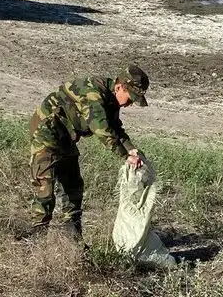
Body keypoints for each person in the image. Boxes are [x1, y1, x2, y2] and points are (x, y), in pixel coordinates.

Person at [27, 63, 150, 239]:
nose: (130, 104)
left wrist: (132, 150)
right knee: (45, 188)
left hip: (66, 136)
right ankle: (36, 239)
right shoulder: (94, 94)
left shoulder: (111, 100)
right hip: (46, 132)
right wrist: (124, 155)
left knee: (73, 187)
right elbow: (101, 128)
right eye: (130, 98)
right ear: (119, 87)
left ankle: (72, 239)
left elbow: (115, 128)